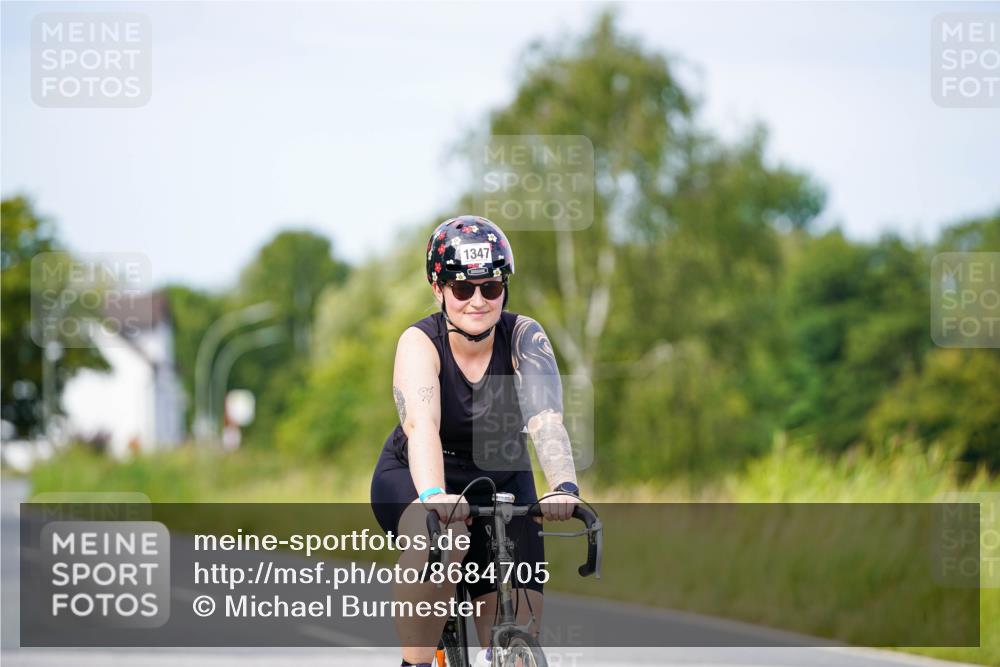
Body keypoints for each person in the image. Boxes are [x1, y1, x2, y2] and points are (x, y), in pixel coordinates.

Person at [370, 215, 581, 667]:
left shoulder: (524, 336)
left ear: (505, 287)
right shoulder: (419, 342)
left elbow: (545, 419)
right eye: (463, 289)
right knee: (444, 540)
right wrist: (433, 495)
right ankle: (416, 662)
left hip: (502, 474)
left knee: (515, 629)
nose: (478, 301)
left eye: (491, 287)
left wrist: (564, 487)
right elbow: (421, 426)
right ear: (438, 288)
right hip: (418, 474)